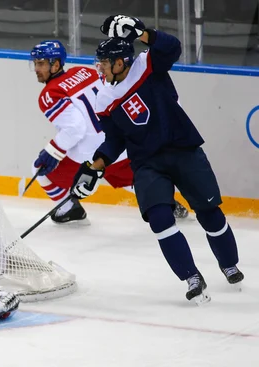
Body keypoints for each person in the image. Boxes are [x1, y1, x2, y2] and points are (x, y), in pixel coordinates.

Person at [70, 15, 244, 304]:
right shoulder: (104, 98)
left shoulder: (148, 66)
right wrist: (94, 167)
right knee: (161, 220)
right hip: (147, 163)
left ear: (121, 62)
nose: (98, 67)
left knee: (210, 213)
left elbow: (172, 47)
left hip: (184, 150)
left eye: (103, 62)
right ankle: (191, 276)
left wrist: (141, 32)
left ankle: (229, 264)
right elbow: (114, 140)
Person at [30, 40, 188, 224]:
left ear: (55, 64)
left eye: (40, 63)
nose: (36, 68)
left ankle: (69, 211)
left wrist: (53, 151)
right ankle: (165, 201)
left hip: (89, 153)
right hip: (116, 143)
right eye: (35, 64)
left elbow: (75, 128)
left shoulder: (50, 94)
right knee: (130, 177)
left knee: (40, 170)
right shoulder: (84, 71)